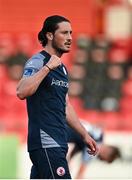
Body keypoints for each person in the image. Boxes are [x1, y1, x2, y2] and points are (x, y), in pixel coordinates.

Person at [16, 15, 98, 179]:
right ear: (50, 35)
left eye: (71, 33)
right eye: (64, 33)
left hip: (57, 142)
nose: (70, 38)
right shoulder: (38, 61)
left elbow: (66, 105)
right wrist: (47, 68)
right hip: (46, 142)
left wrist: (84, 135)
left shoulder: (62, 69)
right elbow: (21, 91)